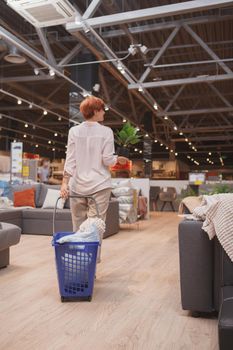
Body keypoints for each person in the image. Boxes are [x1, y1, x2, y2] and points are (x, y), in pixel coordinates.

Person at [60, 96, 127, 260]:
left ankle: (77, 264)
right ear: (96, 111)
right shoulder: (106, 132)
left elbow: (70, 160)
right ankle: (91, 265)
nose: (104, 112)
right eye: (102, 109)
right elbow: (107, 160)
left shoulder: (74, 131)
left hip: (77, 186)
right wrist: (118, 159)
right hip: (100, 186)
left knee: (77, 226)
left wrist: (64, 184)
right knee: (95, 227)